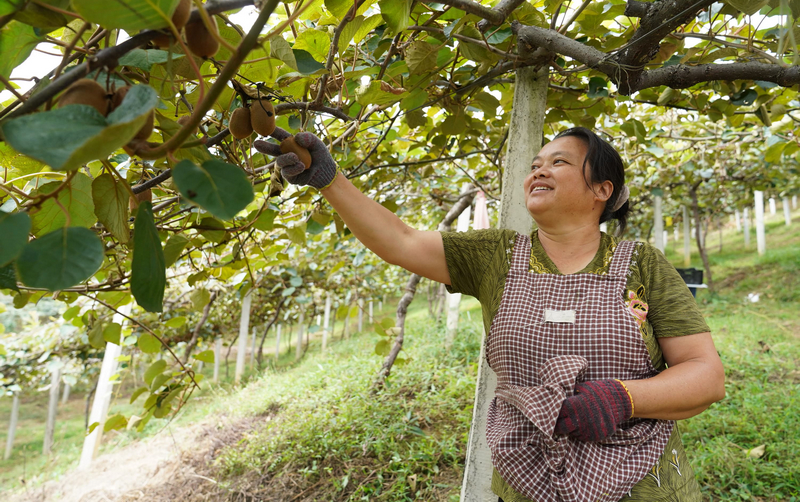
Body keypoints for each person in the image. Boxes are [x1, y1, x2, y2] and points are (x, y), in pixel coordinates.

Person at [254, 126, 726, 501]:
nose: (538, 171)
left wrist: (624, 399)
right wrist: (330, 182)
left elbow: (705, 376)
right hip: (527, 483)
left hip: (642, 485)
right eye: (535, 164)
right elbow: (400, 242)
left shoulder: (641, 263)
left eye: (559, 162)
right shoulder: (494, 255)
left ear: (603, 188)